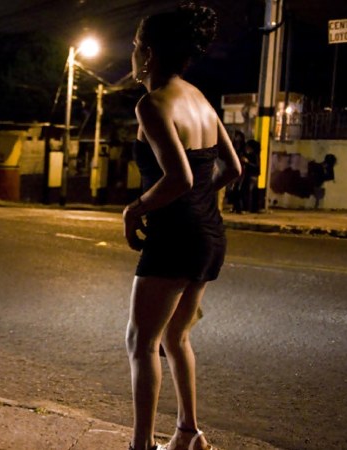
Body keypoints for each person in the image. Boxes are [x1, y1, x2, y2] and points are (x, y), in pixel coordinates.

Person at [122, 4, 241, 450]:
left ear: (149, 53)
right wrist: (197, 203)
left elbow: (179, 178)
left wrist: (134, 210)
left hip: (175, 237)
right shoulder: (200, 99)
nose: (133, 52)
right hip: (209, 234)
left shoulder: (152, 104)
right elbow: (233, 168)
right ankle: (188, 432)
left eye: (136, 45)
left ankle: (140, 445)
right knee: (176, 336)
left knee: (141, 342)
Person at [236, 139, 260, 213]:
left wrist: (247, 162)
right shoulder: (249, 155)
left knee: (248, 192)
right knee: (246, 191)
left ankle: (247, 208)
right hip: (249, 175)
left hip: (252, 176)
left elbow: (256, 166)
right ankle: (245, 207)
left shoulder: (254, 155)